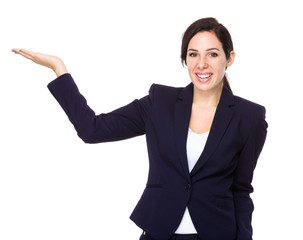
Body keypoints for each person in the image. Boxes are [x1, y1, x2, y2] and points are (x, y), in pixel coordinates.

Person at [12, 17, 267, 240]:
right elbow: (92, 129)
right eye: (193, 54)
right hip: (159, 233)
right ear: (185, 59)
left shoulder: (250, 117)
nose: (201, 64)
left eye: (212, 54)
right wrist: (59, 69)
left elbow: (241, 190)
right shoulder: (160, 102)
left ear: (229, 58)